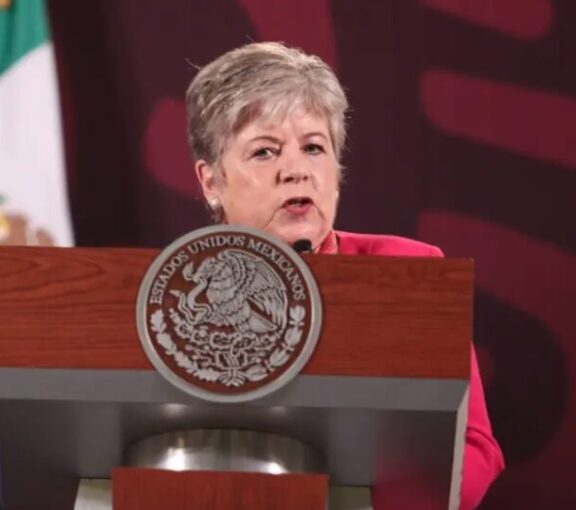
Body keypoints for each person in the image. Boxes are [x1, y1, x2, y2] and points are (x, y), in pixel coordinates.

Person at [185, 42, 504, 509]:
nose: (296, 171)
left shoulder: (408, 272)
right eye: (264, 152)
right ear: (211, 181)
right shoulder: (175, 296)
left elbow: (473, 449)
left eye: (314, 147)